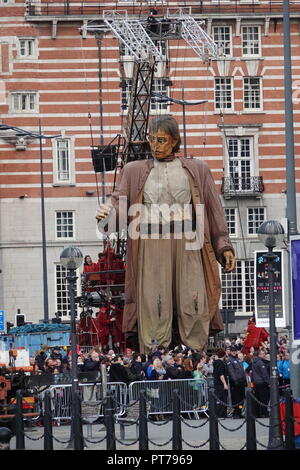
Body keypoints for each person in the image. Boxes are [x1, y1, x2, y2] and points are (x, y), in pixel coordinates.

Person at [96, 115, 235, 353]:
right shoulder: (133, 171)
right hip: (150, 242)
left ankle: (194, 351)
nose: (155, 145)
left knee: (193, 297)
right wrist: (107, 216)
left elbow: (213, 209)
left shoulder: (198, 169)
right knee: (154, 301)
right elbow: (120, 206)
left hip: (189, 240)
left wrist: (224, 245)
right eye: (152, 139)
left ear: (175, 141)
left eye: (161, 140)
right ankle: (155, 352)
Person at [226, 345, 247, 419]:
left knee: (241, 398)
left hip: (241, 381)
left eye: (235, 351)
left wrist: (245, 380)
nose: (234, 352)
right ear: (231, 352)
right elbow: (231, 371)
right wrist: (235, 380)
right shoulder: (229, 360)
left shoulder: (239, 359)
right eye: (232, 351)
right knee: (235, 398)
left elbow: (242, 371)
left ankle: (240, 411)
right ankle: (235, 413)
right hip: (235, 382)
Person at [252, 349, 270, 418]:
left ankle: (257, 413)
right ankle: (264, 413)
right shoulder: (261, 362)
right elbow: (264, 374)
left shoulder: (254, 361)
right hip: (262, 382)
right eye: (262, 353)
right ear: (259, 354)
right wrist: (268, 382)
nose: (264, 355)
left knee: (257, 399)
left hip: (256, 382)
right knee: (264, 399)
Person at [213, 349, 229, 418]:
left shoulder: (216, 362)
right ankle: (221, 414)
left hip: (217, 383)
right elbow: (221, 374)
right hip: (221, 383)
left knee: (220, 398)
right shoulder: (221, 363)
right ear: (224, 355)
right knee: (222, 398)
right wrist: (225, 384)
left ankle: (221, 413)